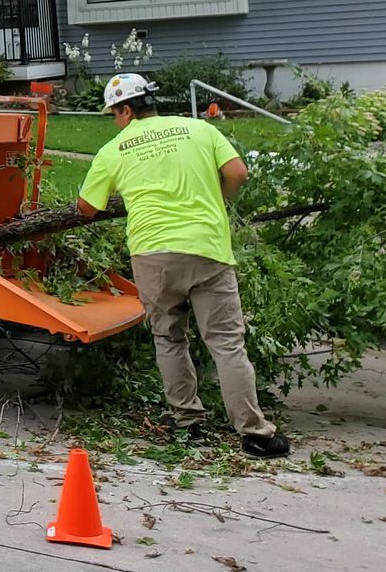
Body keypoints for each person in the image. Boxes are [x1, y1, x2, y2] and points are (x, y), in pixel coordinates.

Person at [75, 73, 290, 459]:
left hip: (152, 254)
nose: (114, 121)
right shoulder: (200, 129)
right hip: (208, 249)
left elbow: (87, 207)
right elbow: (238, 173)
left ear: (126, 109)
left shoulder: (114, 149)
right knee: (226, 343)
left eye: (114, 114)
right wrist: (217, 201)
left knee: (169, 338)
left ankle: (188, 424)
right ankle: (256, 433)